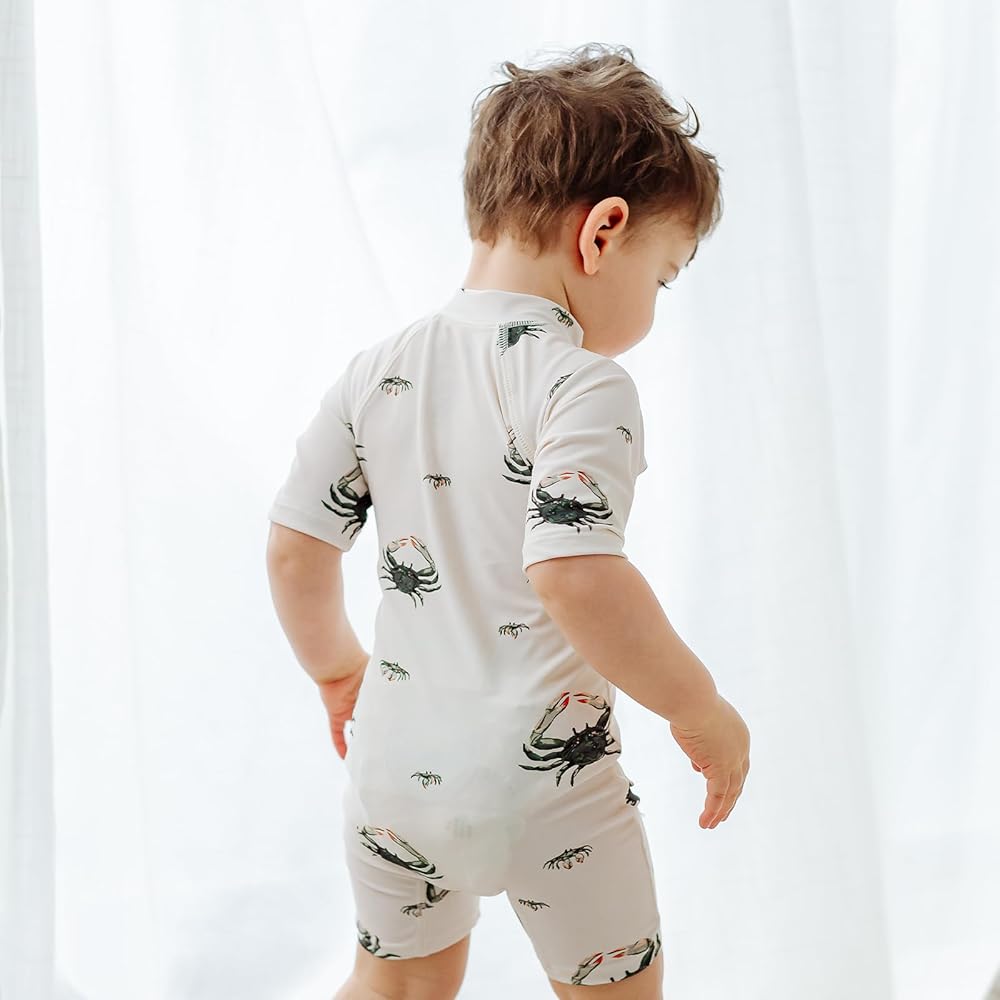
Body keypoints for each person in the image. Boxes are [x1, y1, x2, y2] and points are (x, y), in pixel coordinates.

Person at [266, 42, 750, 1000]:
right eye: (662, 277)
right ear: (603, 233)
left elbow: (295, 548)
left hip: (395, 774)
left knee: (394, 986)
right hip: (547, 797)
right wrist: (700, 708)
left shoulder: (375, 372)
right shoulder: (582, 385)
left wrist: (336, 670)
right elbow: (573, 572)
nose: (654, 305)